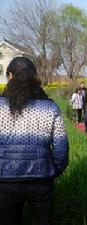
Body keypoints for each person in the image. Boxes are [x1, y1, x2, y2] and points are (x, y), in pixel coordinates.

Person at [0, 57, 69, 225]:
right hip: (41, 179)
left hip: (4, 180)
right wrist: (54, 170)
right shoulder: (50, 107)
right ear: (34, 77)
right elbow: (61, 147)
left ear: (9, 75)